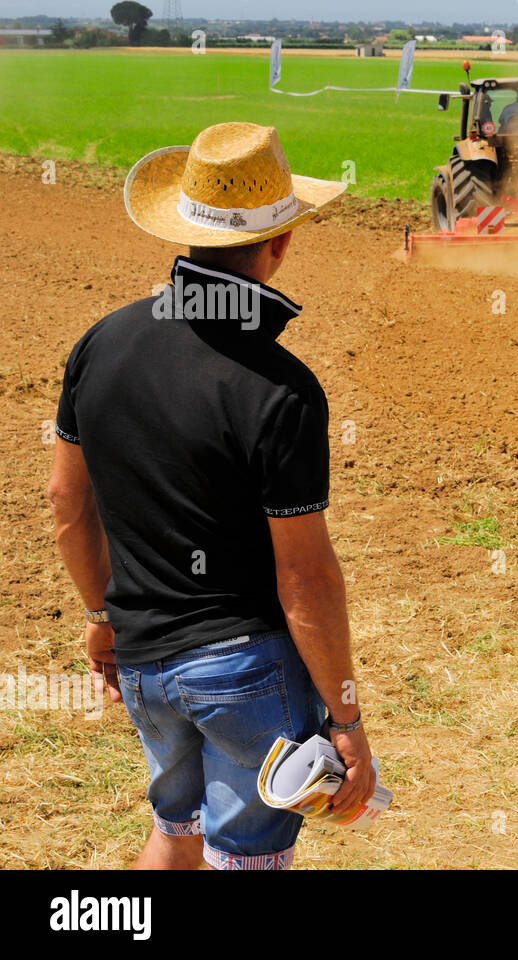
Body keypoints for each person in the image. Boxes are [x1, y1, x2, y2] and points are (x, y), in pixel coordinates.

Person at [48, 122, 376, 870]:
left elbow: (67, 503)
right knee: (246, 856)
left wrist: (104, 618)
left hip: (143, 662)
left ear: (189, 229)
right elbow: (305, 575)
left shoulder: (102, 342)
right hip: (243, 672)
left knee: (176, 829)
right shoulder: (281, 389)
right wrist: (346, 719)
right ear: (280, 244)